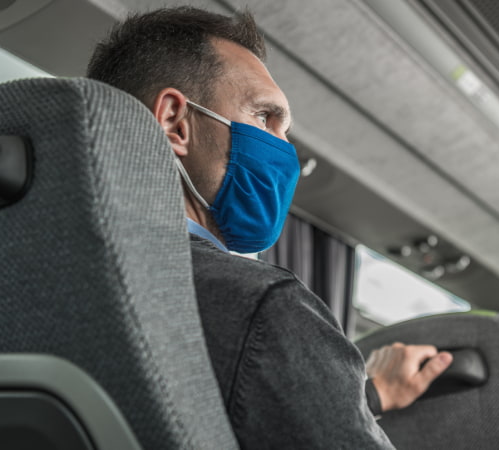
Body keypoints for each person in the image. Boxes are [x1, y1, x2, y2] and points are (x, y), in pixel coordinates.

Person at [86, 6, 453, 448]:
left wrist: (363, 393)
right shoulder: (261, 305)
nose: (284, 151)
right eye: (265, 118)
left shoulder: (30, 281)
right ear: (175, 123)